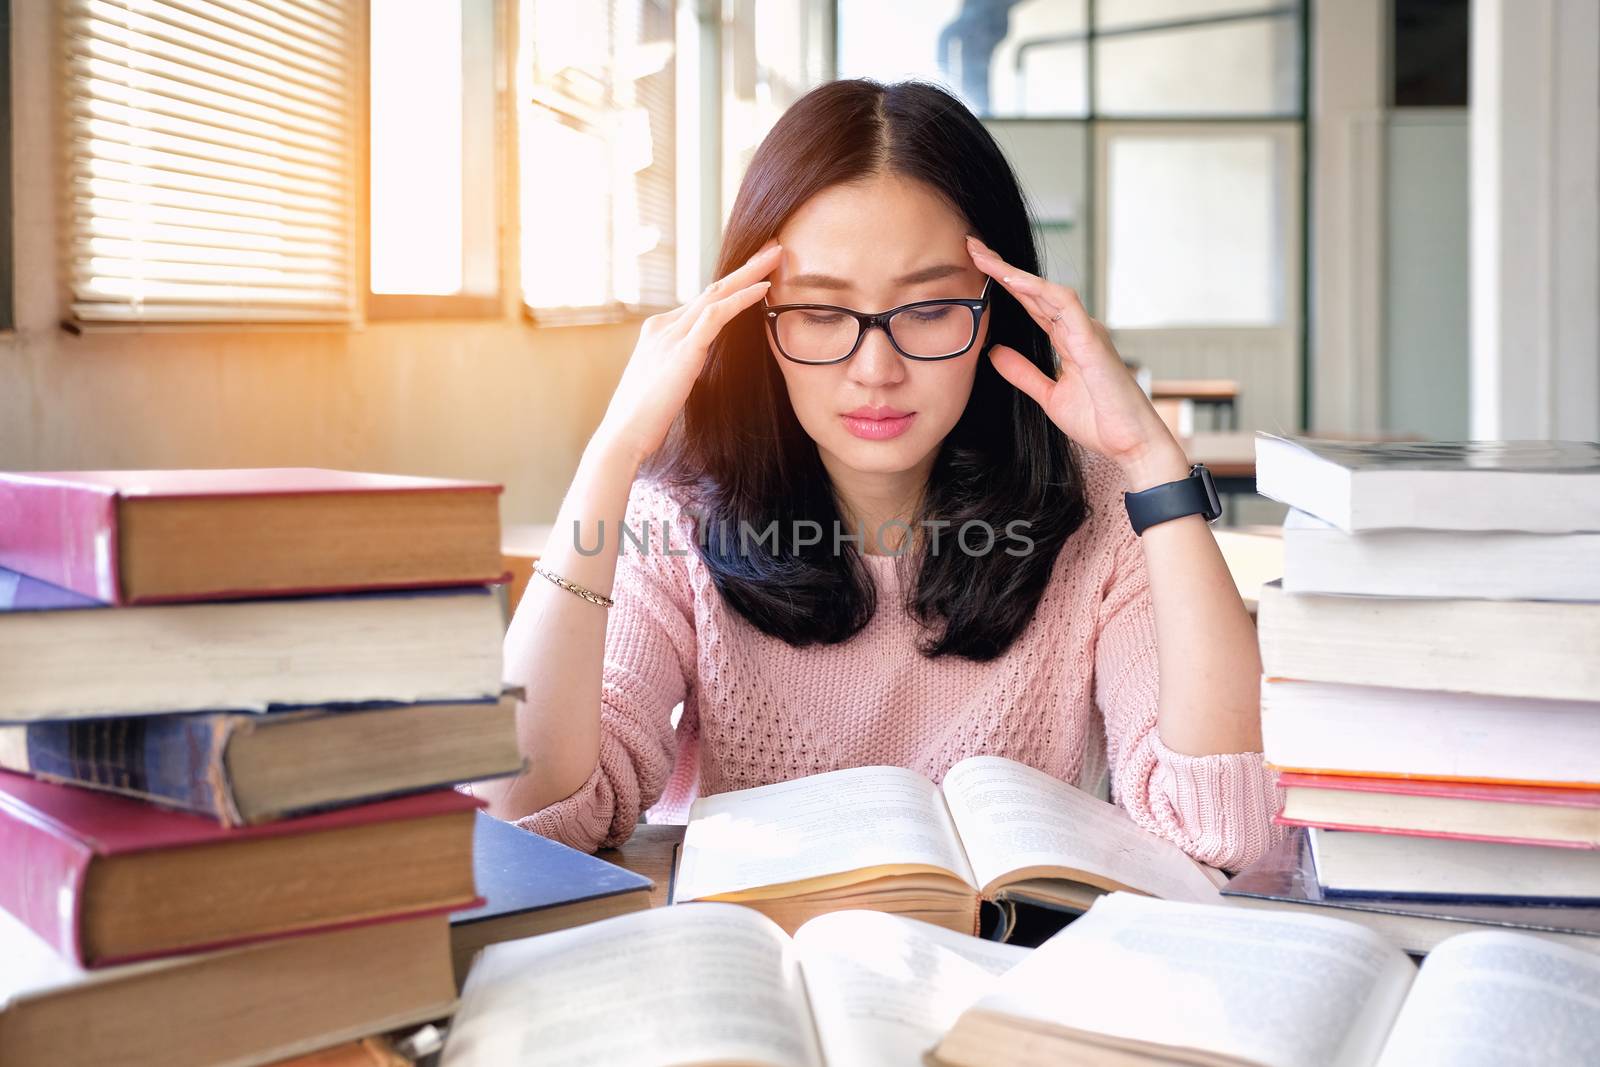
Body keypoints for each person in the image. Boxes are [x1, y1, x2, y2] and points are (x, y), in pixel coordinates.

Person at [474, 78, 1281, 871]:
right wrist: (611, 455)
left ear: (997, 305)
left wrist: (1150, 464)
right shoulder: (676, 523)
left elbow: (1223, 826)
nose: (876, 368)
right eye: (822, 313)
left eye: (928, 310)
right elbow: (529, 816)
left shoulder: (1101, 515)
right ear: (755, 321)